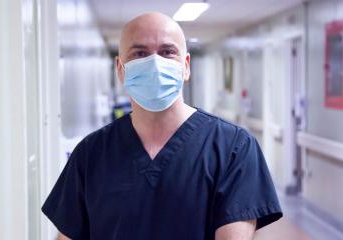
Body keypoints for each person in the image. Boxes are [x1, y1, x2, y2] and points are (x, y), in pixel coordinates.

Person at [42, 12, 282, 240]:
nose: (155, 63)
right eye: (140, 53)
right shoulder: (91, 153)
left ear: (186, 66)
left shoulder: (233, 148)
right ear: (120, 69)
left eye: (168, 52)